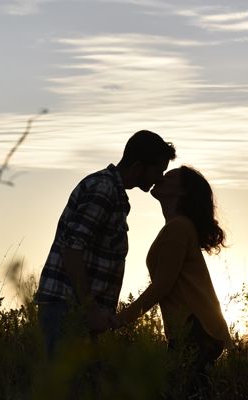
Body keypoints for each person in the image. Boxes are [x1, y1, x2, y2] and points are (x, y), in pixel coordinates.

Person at [34, 130, 176, 357]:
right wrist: (89, 308)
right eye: (158, 170)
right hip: (67, 310)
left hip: (74, 311)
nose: (159, 178)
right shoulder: (104, 189)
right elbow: (72, 248)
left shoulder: (114, 192)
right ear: (139, 166)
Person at [111, 166, 233, 399]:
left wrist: (121, 319)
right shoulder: (177, 227)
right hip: (192, 330)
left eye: (170, 176)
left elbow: (162, 286)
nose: (161, 176)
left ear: (182, 192)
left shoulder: (178, 227)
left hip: (195, 330)